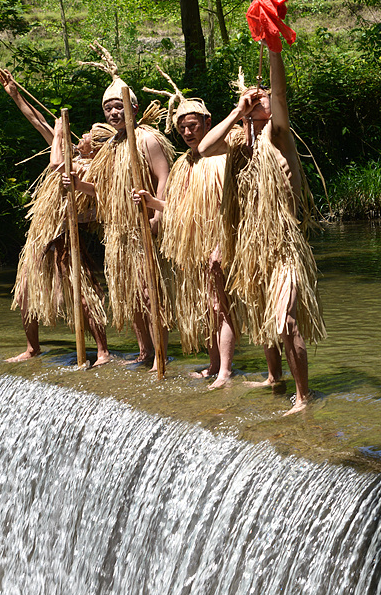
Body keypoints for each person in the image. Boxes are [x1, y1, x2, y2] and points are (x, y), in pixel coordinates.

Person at [198, 48, 325, 414]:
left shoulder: (278, 134)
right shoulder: (238, 143)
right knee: (262, 319)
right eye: (255, 100)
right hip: (251, 246)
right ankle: (275, 377)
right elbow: (205, 148)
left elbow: (281, 94)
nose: (260, 101)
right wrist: (239, 111)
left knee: (285, 320)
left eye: (262, 99)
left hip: (283, 244)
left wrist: (273, 50)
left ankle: (303, 397)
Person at [67, 44, 174, 367]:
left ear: (133, 106)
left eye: (119, 107)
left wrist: (156, 216)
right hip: (118, 230)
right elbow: (106, 190)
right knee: (127, 294)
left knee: (148, 293)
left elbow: (164, 177)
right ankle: (144, 352)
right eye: (109, 109)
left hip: (144, 224)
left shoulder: (148, 139)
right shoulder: (112, 145)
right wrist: (78, 185)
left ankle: (161, 356)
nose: (114, 113)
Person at [0, 69, 112, 366]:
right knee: (25, 290)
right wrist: (15, 94)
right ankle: (32, 347)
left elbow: (56, 166)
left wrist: (61, 133)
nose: (83, 135)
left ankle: (102, 350)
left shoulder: (94, 170)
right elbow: (37, 121)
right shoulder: (69, 152)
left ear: (97, 147)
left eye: (89, 135)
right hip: (41, 231)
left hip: (65, 233)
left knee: (83, 290)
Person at [133, 72, 238, 388]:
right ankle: (213, 363)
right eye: (182, 128)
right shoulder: (182, 164)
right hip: (195, 249)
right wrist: (153, 202)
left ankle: (226, 371)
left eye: (193, 125)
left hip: (219, 243)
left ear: (208, 123)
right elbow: (180, 211)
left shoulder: (222, 156)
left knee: (220, 306)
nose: (188, 132)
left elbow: (229, 206)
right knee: (207, 308)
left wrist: (222, 242)